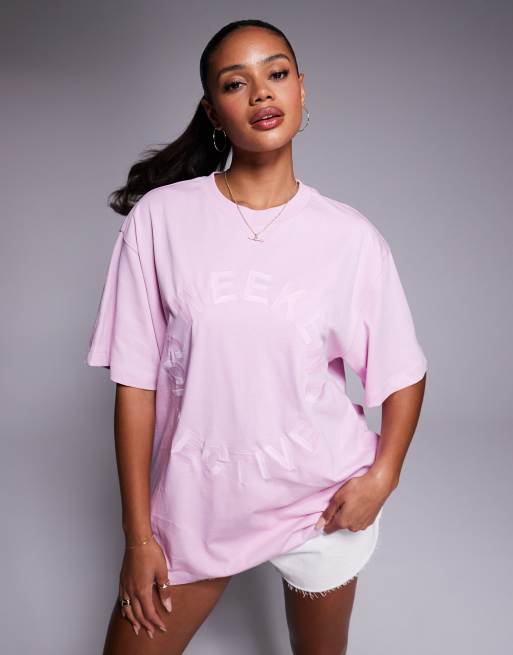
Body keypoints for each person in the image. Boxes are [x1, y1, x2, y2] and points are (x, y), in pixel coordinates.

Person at [85, 18, 427, 655]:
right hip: (196, 506)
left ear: (301, 89)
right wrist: (139, 538)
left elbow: (403, 372)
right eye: (235, 83)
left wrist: (383, 477)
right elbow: (135, 386)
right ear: (213, 112)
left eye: (276, 73)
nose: (262, 92)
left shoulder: (350, 238)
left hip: (319, 503)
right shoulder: (161, 220)